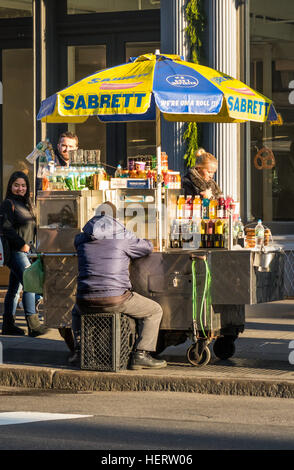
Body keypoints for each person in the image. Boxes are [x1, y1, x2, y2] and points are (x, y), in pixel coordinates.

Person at [70, 201, 167, 370]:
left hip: (84, 299)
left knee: (76, 312)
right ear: (114, 218)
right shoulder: (123, 236)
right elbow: (147, 247)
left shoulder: (81, 238)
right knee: (154, 310)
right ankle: (141, 354)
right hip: (115, 299)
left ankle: (79, 351)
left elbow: (78, 243)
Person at [0, 171, 48, 336]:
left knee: (14, 288)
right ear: (11, 186)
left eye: (23, 185)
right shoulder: (8, 204)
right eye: (16, 185)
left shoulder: (28, 204)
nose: (20, 188)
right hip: (15, 251)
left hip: (27, 251)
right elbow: (5, 229)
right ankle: (33, 325)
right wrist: (22, 245)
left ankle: (8, 324)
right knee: (31, 283)